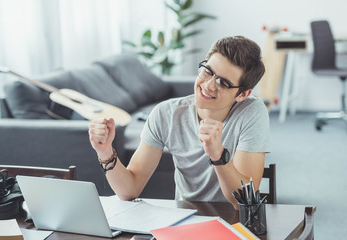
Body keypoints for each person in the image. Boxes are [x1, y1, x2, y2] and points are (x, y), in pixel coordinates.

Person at [89, 36, 269, 210]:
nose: (208, 85)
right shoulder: (166, 114)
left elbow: (243, 203)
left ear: (242, 95)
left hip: (233, 223)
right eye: (207, 71)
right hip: (185, 221)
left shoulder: (251, 112)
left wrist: (219, 156)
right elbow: (129, 190)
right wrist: (105, 151)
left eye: (223, 83)